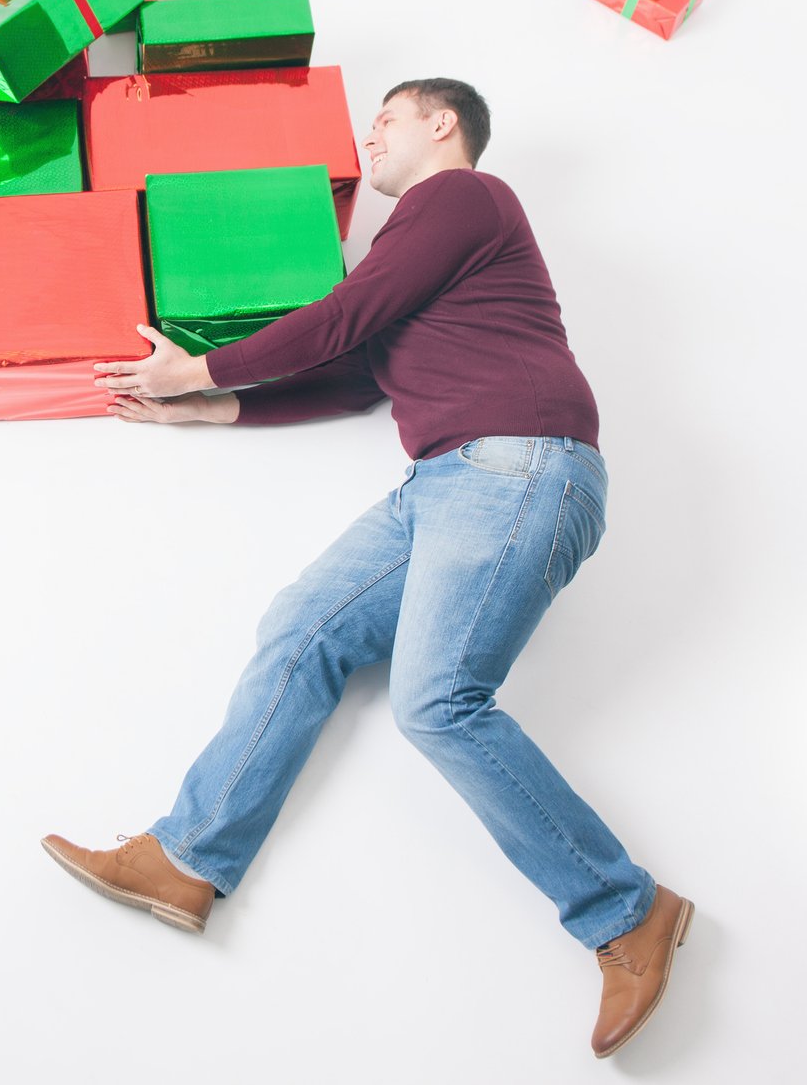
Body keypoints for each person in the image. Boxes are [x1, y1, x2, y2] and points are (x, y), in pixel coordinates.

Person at [48, 79, 693, 1060]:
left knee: (437, 701)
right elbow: (356, 375)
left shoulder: (465, 198)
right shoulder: (420, 254)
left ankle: (623, 910)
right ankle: (186, 857)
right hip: (449, 478)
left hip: (517, 461)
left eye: (385, 118)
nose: (372, 136)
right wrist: (213, 409)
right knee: (303, 625)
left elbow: (348, 316)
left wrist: (196, 370)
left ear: (444, 124)